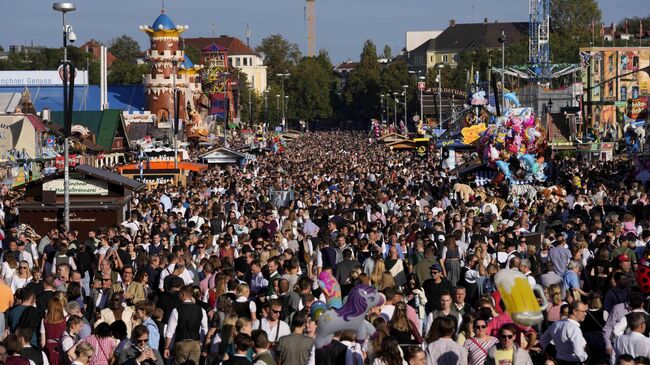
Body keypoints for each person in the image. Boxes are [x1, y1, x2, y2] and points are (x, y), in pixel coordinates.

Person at [163, 285, 208, 365]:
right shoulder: (201, 310)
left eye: (179, 294)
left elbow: (170, 332)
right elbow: (205, 330)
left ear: (182, 294)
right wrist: (203, 345)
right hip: (195, 343)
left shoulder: (176, 310)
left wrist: (167, 347)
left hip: (181, 343)